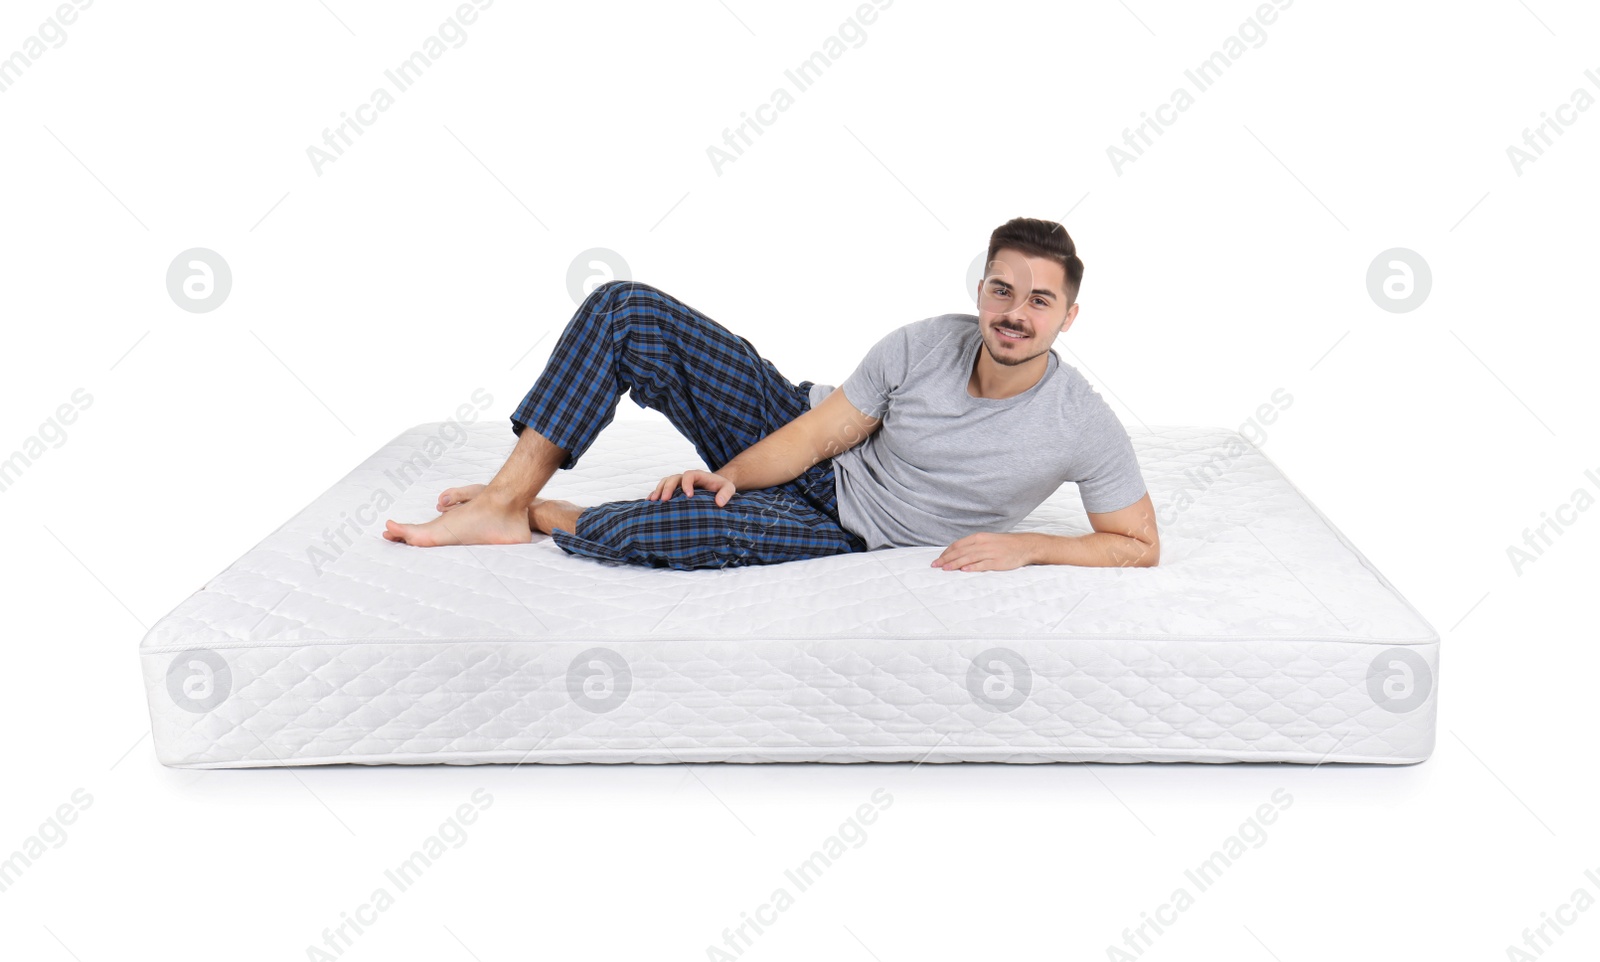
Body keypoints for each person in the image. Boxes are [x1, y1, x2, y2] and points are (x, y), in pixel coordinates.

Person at [384, 216, 1160, 572]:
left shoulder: (1081, 422)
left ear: (1068, 315)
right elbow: (821, 436)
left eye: (1039, 301)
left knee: (665, 536)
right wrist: (732, 473)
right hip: (803, 436)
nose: (1015, 314)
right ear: (982, 288)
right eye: (1002, 290)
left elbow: (1137, 543)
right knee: (629, 310)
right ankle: (503, 497)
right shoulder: (926, 342)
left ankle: (547, 516)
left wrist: (1030, 547)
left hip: (851, 527)